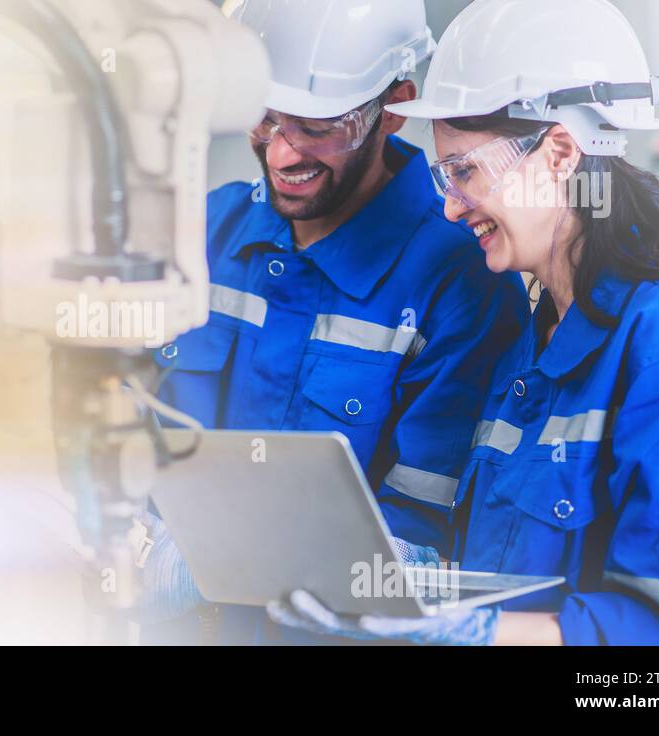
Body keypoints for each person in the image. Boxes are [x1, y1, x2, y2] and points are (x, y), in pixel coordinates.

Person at [269, 0, 659, 645]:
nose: (449, 207)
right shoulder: (531, 347)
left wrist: (471, 634)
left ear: (559, 152)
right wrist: (397, 587)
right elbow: (501, 569)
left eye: (464, 171)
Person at [133, 0, 529, 645]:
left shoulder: (463, 284)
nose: (282, 152)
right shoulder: (204, 232)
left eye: (318, 124)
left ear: (395, 106)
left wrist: (228, 561)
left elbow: (423, 539)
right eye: (264, 116)